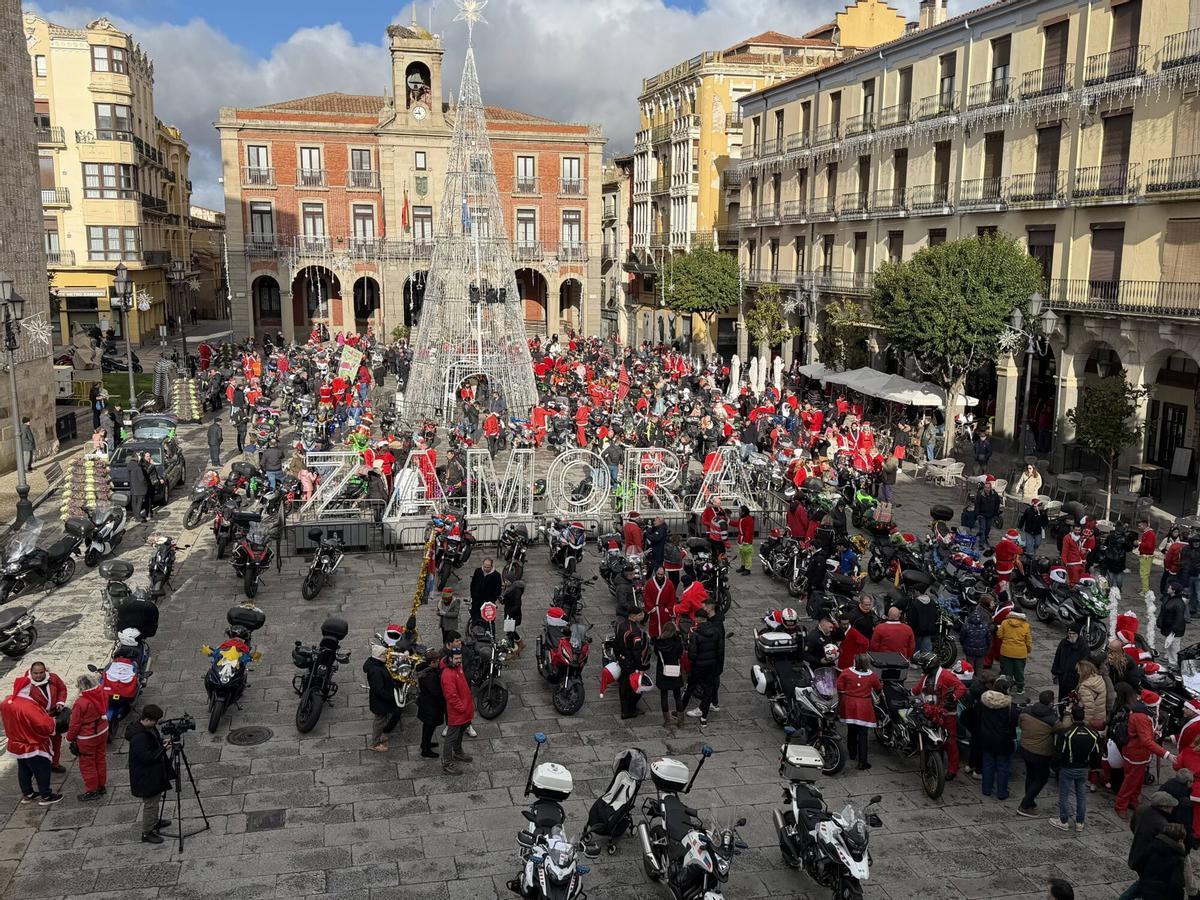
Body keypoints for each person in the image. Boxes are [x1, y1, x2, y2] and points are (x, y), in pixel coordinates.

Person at [0, 675, 61, 805]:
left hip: (16, 744)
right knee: (42, 769)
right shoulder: (28, 706)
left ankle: (28, 793)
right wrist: (53, 722)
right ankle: (46, 795)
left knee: (23, 770)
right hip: (32, 744)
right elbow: (43, 724)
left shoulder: (6, 702)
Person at [1117, 690, 1175, 817]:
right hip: (1136, 754)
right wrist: (1167, 754)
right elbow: (1146, 741)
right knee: (1131, 781)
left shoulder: (1143, 714)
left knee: (1137, 780)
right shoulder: (1142, 717)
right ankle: (1121, 805)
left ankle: (1133, 800)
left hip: (1139, 753)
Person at [125, 704, 173, 843]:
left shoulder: (147, 728)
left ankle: (154, 821)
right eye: (155, 720)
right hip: (146, 776)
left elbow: (153, 743)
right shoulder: (139, 737)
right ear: (147, 719)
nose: (156, 723)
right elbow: (147, 758)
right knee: (151, 803)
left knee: (155, 800)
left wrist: (161, 743)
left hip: (152, 773)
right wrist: (162, 749)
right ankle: (147, 832)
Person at [1053, 704, 1103, 833]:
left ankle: (1063, 821)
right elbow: (1097, 753)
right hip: (1083, 768)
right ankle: (1080, 822)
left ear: (1072, 717)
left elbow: (1059, 752)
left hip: (1068, 767)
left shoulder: (1067, 733)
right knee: (1081, 795)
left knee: (1064, 795)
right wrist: (1094, 767)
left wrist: (1056, 767)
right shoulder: (1093, 734)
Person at [1121, 791, 1178, 899]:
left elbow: (1133, 826)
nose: (1172, 809)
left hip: (1136, 852)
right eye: (1171, 807)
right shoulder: (1162, 823)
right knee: (1143, 883)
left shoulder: (1141, 809)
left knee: (1143, 882)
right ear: (1164, 807)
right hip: (1148, 860)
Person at [65, 672, 109, 801]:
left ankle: (92, 790)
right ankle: (101, 786)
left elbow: (75, 725)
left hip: (87, 737)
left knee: (87, 764)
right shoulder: (103, 693)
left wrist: (69, 738)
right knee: (100, 759)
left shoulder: (81, 703)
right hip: (103, 730)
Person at [1017, 690, 1060, 817]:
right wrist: (1068, 714)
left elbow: (1020, 724)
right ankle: (1025, 804)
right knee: (1041, 778)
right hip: (1041, 753)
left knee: (1030, 775)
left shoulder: (1026, 711)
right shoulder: (1052, 720)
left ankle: (1030, 801)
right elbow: (1063, 729)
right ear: (1051, 703)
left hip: (1025, 748)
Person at [680, 604, 723, 727]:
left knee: (690, 687)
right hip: (711, 665)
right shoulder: (716, 631)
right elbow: (719, 650)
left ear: (698, 619)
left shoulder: (695, 634)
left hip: (698, 666)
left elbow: (692, 655)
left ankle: (680, 710)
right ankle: (704, 718)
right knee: (708, 690)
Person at [837, 654, 883, 770]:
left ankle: (852, 754)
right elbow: (878, 688)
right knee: (863, 734)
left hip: (849, 705)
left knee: (851, 730)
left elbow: (839, 687)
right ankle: (863, 761)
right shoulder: (872, 675)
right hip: (864, 706)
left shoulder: (846, 672)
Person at [978, 675, 1020, 800]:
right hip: (1003, 740)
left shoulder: (984, 702)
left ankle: (986, 789)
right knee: (1003, 766)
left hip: (986, 738)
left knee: (987, 764)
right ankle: (1002, 792)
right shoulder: (1010, 707)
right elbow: (1014, 723)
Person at [20, 662, 67, 773]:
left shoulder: (53, 678)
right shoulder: (26, 685)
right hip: (38, 721)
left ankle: (55, 764)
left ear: (45, 671)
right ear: (31, 672)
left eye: (41, 673)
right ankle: (42, 766)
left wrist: (60, 701)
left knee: (56, 742)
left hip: (54, 718)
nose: (38, 676)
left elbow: (62, 689)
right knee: (41, 745)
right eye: (35, 673)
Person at [439, 636, 474, 776]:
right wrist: (462, 708)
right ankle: (447, 762)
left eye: (460, 658)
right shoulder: (448, 674)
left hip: (465, 709)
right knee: (451, 737)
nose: (459, 661)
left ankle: (458, 753)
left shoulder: (457, 667)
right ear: (450, 658)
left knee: (459, 733)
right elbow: (451, 696)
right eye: (456, 659)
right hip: (457, 712)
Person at [364, 642, 403, 753]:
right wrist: (392, 697)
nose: (386, 656)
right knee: (379, 721)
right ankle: (374, 743)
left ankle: (379, 737)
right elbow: (379, 690)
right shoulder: (376, 671)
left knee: (381, 720)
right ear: (379, 656)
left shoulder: (377, 665)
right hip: (380, 702)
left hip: (380, 701)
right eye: (384, 655)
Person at [614, 608, 650, 719]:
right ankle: (630, 710)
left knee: (623, 685)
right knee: (636, 687)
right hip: (631, 663)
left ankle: (625, 709)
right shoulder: (635, 632)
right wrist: (641, 667)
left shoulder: (621, 625)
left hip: (622, 659)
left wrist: (618, 658)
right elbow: (637, 652)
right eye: (641, 615)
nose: (642, 617)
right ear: (635, 616)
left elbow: (616, 644)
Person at [1140, 822, 1189, 900]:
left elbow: (1141, 862)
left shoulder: (1153, 846)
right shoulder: (1177, 858)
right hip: (1164, 894)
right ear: (1180, 840)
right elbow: (1177, 883)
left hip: (1147, 888)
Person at [654, 620, 685, 728]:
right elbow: (681, 653)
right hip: (675, 670)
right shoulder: (677, 643)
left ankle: (667, 721)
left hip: (663, 671)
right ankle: (681, 721)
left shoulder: (658, 643)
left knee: (664, 696)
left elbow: (656, 654)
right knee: (677, 696)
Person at [415, 648, 444, 760]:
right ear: (432, 663)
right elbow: (436, 692)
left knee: (427, 727)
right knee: (429, 727)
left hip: (426, 704)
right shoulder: (430, 676)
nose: (439, 663)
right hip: (430, 706)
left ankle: (425, 743)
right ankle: (425, 749)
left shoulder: (425, 671)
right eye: (437, 661)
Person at [1051, 627, 1091, 702]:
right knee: (1062, 697)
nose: (1071, 635)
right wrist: (1054, 671)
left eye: (1074, 634)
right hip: (1063, 677)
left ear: (1078, 634)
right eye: (1069, 633)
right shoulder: (1063, 642)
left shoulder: (1084, 647)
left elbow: (1085, 664)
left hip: (1074, 679)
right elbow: (1057, 656)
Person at [997, 610, 1033, 694]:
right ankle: (1020, 689)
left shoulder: (1005, 622)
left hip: (1006, 652)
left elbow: (999, 635)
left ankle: (1007, 688)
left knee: (1007, 671)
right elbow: (1028, 640)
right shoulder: (1025, 625)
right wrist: (1028, 649)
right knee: (1019, 672)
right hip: (1020, 653)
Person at [960, 598, 995, 675]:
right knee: (979, 668)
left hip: (969, 651)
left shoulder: (966, 625)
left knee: (970, 668)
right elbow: (989, 639)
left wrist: (965, 646)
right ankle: (978, 682)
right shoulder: (984, 626)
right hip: (981, 651)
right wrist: (987, 649)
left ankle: (970, 681)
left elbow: (962, 638)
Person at [1159, 580, 1189, 667]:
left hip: (1175, 629)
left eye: (1169, 587)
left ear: (1174, 590)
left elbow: (1179, 618)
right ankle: (1169, 658)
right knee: (1169, 644)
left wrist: (1174, 630)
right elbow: (1163, 610)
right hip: (1168, 626)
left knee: (1174, 646)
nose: (1168, 588)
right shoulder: (1168, 598)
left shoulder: (1179, 603)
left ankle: (1174, 663)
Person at [468, 558, 503, 626]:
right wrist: (473, 595)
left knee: (488, 618)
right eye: (484, 566)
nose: (486, 568)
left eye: (488, 567)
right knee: (475, 615)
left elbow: (498, 589)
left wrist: (493, 599)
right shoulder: (478, 571)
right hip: (476, 599)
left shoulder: (496, 575)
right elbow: (473, 584)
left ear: (491, 566)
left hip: (488, 601)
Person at [975, 476, 1002, 546]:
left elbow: (997, 502)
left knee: (988, 528)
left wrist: (996, 511)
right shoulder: (980, 495)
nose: (986, 489)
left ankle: (985, 538)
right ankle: (981, 542)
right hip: (982, 514)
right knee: (982, 528)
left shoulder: (994, 494)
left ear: (990, 488)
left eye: (988, 488)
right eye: (985, 487)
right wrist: (977, 514)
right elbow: (977, 505)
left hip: (990, 514)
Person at [732, 505, 755, 575]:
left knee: (748, 555)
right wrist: (729, 521)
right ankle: (743, 566)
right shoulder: (742, 518)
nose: (738, 512)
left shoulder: (749, 519)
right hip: (741, 539)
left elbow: (749, 531)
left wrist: (746, 541)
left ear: (743, 512)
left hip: (746, 541)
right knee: (742, 555)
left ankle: (748, 569)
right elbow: (737, 524)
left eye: (740, 511)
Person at [128, 448, 149, 522]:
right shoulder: (138, 467)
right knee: (139, 502)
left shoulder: (129, 466)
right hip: (139, 487)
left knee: (134, 502)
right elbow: (141, 478)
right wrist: (145, 483)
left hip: (133, 487)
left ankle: (135, 515)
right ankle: (138, 517)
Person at [1138, 519, 1158, 596]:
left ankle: (1145, 591)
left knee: (1144, 574)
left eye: (1140, 526)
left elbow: (1149, 546)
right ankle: (1144, 588)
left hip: (1146, 556)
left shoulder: (1149, 534)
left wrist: (1140, 543)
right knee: (1144, 573)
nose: (1138, 527)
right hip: (1146, 555)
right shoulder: (1148, 533)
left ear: (1144, 525)